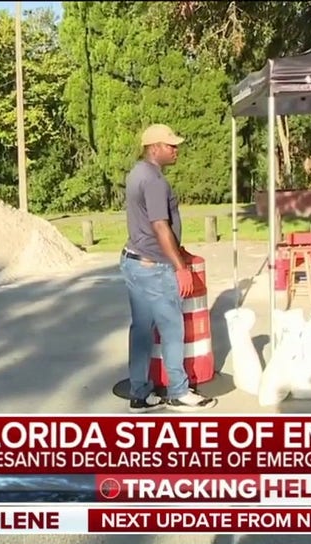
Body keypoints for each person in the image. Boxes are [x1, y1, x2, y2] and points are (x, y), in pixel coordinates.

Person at [120, 124, 218, 413]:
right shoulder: (154, 181)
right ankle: (178, 392)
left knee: (141, 329)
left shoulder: (136, 173)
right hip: (155, 267)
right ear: (154, 148)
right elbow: (160, 225)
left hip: (134, 260)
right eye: (170, 145)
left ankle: (139, 394)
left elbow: (149, 224)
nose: (176, 149)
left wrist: (179, 249)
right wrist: (180, 266)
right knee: (172, 328)